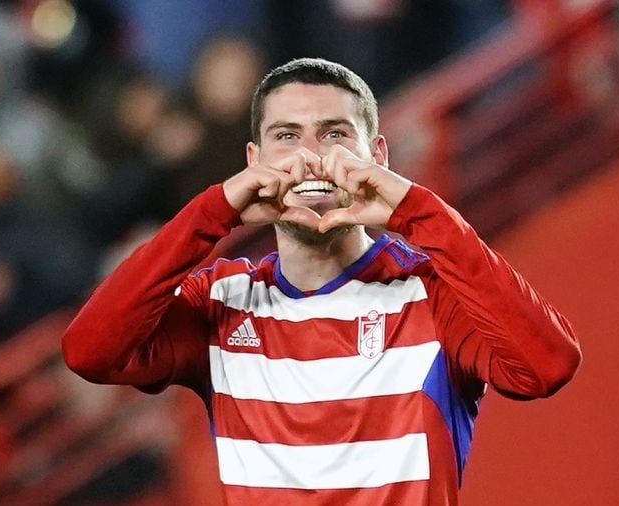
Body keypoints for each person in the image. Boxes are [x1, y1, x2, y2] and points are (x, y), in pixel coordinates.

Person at [62, 58, 582, 505]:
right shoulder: (219, 302)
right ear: (254, 161)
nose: (311, 157)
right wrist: (212, 212)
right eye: (286, 136)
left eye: (335, 134)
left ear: (377, 156)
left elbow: (547, 365)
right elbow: (90, 351)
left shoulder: (432, 294)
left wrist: (419, 210)